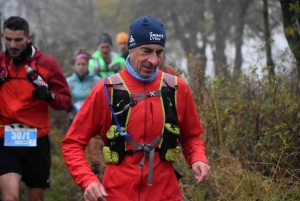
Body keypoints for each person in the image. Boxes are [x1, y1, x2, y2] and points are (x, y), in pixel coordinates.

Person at [61, 16, 211, 201]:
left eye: (159, 52)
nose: (154, 60)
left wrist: (198, 158)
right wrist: (88, 180)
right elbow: (73, 143)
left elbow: (191, 136)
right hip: (116, 193)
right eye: (146, 51)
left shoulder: (176, 88)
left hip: (166, 193)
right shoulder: (106, 89)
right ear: (130, 48)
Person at [0, 16, 71, 201]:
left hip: (36, 138)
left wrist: (49, 96)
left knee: (36, 198)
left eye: (18, 40)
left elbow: (65, 100)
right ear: (2, 36)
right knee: (10, 197)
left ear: (29, 38)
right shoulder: (0, 63)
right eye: (8, 39)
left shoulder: (46, 64)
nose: (12, 45)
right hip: (5, 137)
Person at [66, 47, 102, 176]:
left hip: (92, 120)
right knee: (78, 150)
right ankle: (81, 175)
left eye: (83, 64)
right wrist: (68, 106)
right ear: (75, 65)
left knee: (94, 148)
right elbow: (65, 98)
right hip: (75, 120)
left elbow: (101, 99)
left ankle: (95, 174)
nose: (81, 67)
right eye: (78, 64)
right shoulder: (69, 82)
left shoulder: (96, 81)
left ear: (88, 65)